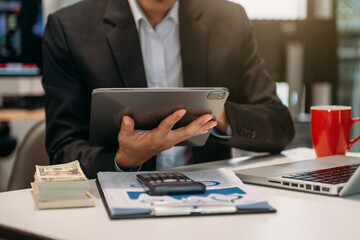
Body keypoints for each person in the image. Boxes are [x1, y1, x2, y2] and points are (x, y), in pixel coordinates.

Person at [42, 0, 295, 179]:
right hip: (116, 197)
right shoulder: (70, 28)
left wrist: (216, 113)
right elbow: (62, 150)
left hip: (211, 196)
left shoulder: (230, 20)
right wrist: (124, 159)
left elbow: (279, 127)